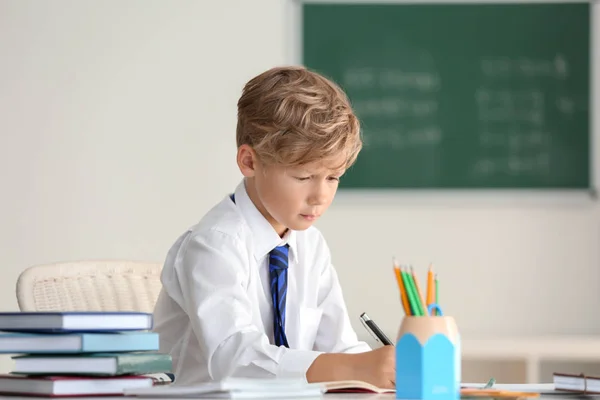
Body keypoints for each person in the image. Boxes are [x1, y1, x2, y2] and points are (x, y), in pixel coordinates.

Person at [152, 65, 395, 387]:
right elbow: (235, 360)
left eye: (333, 178)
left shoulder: (310, 245)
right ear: (250, 162)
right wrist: (352, 369)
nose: (320, 196)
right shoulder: (213, 244)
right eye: (303, 177)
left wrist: (379, 370)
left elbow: (338, 347)